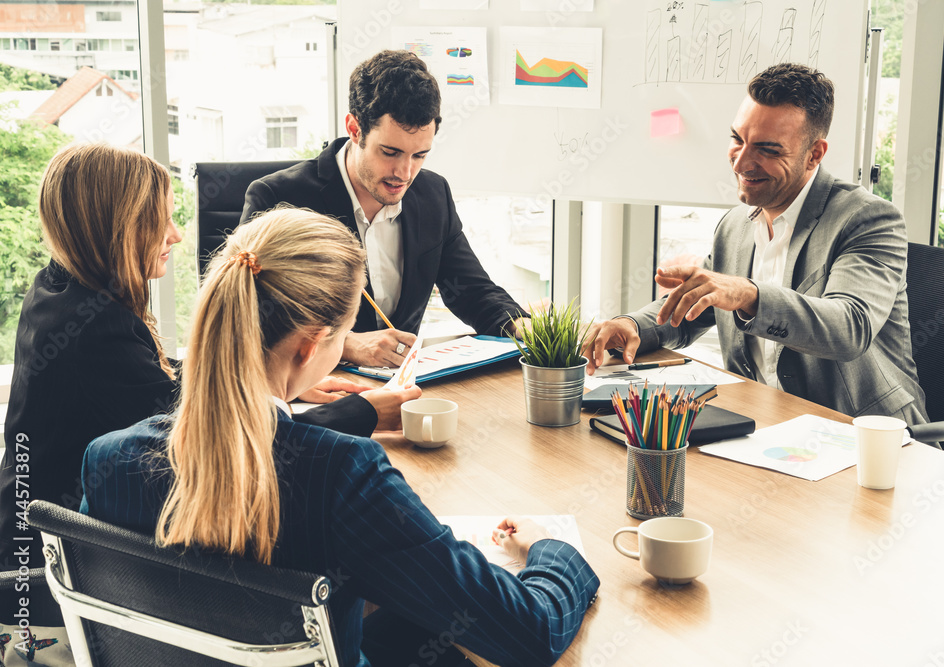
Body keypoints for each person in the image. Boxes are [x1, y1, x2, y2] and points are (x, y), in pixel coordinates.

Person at [79, 208, 599, 667]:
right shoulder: (344, 475)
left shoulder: (110, 458)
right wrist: (550, 548)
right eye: (347, 332)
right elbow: (530, 633)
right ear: (311, 348)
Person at [0, 144, 417, 584]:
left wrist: (267, 375)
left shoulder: (60, 287)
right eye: (158, 221)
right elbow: (217, 436)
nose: (176, 235)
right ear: (113, 228)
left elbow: (148, 378)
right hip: (47, 576)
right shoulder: (95, 329)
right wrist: (366, 410)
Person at [583, 63, 928, 425]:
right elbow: (698, 304)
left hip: (861, 437)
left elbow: (848, 328)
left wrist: (748, 294)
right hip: (763, 425)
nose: (742, 161)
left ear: (814, 154)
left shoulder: (867, 219)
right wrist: (633, 326)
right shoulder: (734, 226)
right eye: (737, 139)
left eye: (767, 149)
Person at [240, 49, 530, 368]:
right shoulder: (279, 198)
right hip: (307, 392)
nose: (404, 173)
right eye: (390, 152)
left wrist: (528, 329)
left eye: (419, 155)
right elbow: (245, 315)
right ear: (354, 129)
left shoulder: (433, 195)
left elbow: (473, 293)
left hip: (401, 392)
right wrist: (346, 343)